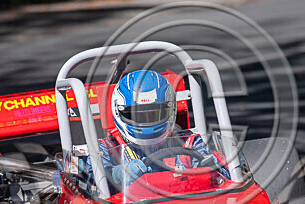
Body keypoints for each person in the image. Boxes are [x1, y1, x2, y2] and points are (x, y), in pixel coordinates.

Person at [85, 70, 228, 191]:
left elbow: (225, 178)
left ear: (170, 110)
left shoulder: (189, 142)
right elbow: (89, 186)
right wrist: (116, 174)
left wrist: (208, 168)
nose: (146, 121)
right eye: (138, 116)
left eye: (154, 114)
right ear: (119, 111)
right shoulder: (106, 148)